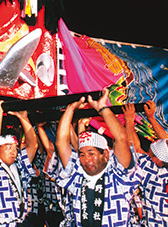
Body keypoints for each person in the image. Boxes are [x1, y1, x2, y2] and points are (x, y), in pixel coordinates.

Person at [54, 88, 141, 227]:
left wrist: (102, 108)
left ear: (105, 154)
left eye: (91, 153)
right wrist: (70, 109)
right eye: (81, 154)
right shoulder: (77, 174)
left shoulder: (117, 176)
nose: (86, 159)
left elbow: (121, 138)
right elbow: (61, 143)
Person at [123, 101, 168, 226]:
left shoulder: (155, 175)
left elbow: (135, 149)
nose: (147, 155)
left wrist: (129, 121)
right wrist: (151, 118)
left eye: (150, 154)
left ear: (158, 160)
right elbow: (166, 141)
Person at [0, 100, 38, 227]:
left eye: (15, 148)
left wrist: (24, 118)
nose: (13, 151)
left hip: (19, 222)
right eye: (8, 147)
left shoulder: (18, 165)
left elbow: (33, 145)